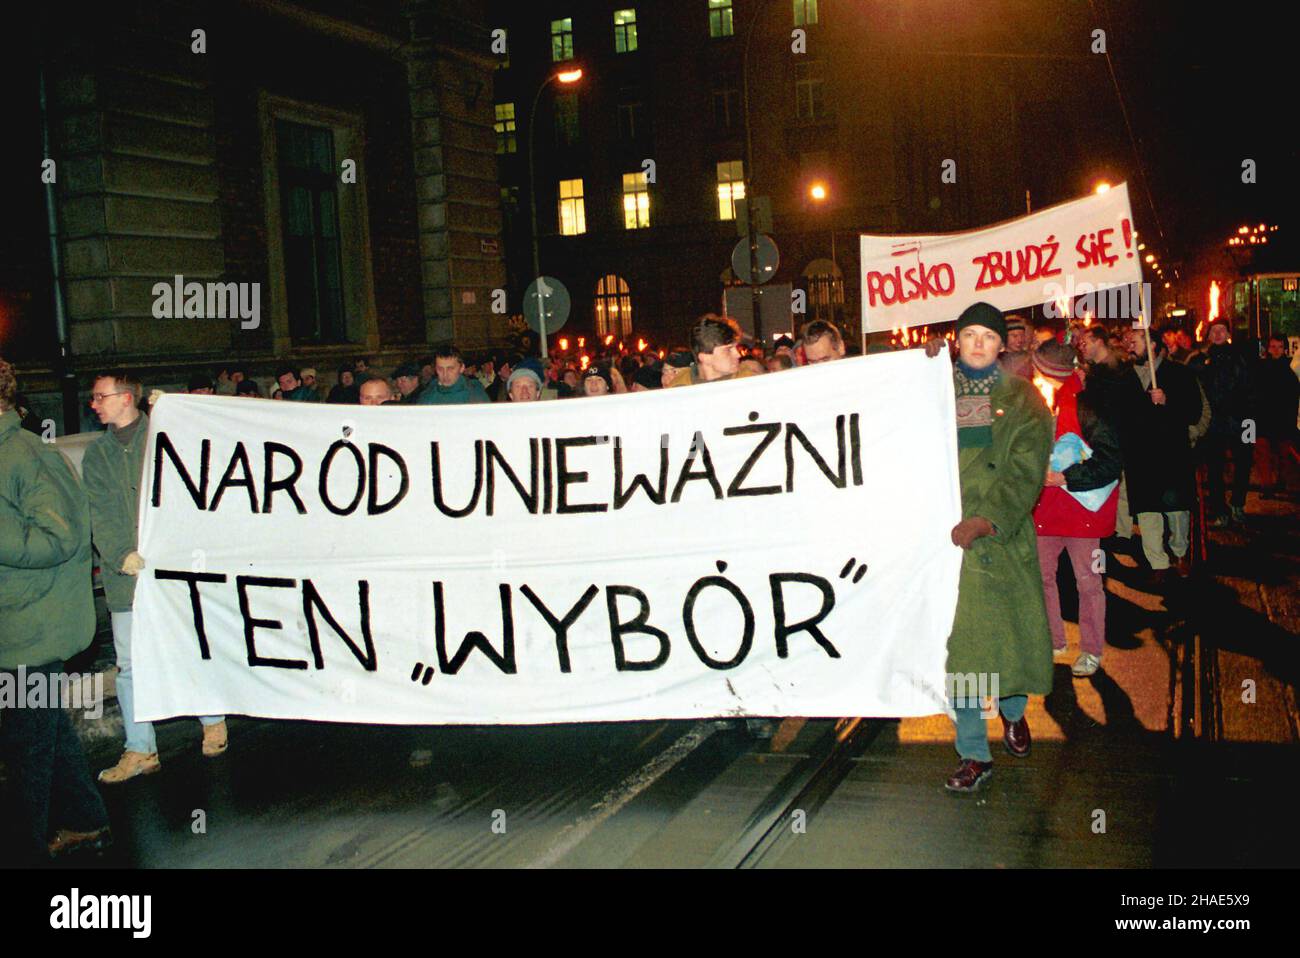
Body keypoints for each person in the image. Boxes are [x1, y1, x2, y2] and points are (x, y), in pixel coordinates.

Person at [924, 302, 1054, 792]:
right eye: (969, 334)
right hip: (948, 545)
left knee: (1009, 645)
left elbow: (1026, 469)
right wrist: (920, 369)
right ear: (957, 340)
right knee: (966, 652)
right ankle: (974, 754)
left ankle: (1014, 711)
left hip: (1000, 537)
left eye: (988, 336)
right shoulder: (936, 389)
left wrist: (987, 519)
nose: (977, 343)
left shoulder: (1024, 399)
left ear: (1003, 344)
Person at [84, 373, 229, 783]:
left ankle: (212, 717)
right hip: (126, 577)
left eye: (100, 397)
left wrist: (181, 411)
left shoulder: (166, 435)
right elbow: (101, 513)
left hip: (173, 570)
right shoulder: (98, 456)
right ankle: (140, 748)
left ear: (127, 397)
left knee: (187, 644)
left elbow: (207, 461)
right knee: (129, 664)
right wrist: (118, 554)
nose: (94, 404)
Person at [0, 357, 113, 862]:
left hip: (31, 627)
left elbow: (59, 537)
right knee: (44, 729)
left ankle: (23, 849)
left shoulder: (27, 456)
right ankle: (85, 819)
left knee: (25, 747)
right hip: (18, 621)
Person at [1030, 341, 1122, 677]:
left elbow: (1110, 460)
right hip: (1044, 511)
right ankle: (1054, 640)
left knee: (1089, 582)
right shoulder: (1035, 403)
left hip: (1083, 512)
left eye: (1040, 372)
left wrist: (1064, 477)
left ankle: (1091, 649)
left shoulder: (1090, 405)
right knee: (1041, 578)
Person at [1120, 327, 1204, 582]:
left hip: (1171, 454)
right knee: (1147, 512)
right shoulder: (1125, 377)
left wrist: (1168, 401)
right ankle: (1157, 561)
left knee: (1176, 509)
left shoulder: (1180, 373)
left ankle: (1180, 552)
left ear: (1153, 344)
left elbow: (1194, 412)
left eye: (1134, 341)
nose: (1129, 346)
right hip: (1140, 457)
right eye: (1127, 342)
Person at [1191, 319, 1255, 526]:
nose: (1218, 334)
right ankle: (1220, 510)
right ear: (1208, 335)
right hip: (1214, 421)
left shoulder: (1242, 356)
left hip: (1242, 419)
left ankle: (1238, 504)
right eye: (1214, 331)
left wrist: (1251, 419)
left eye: (1222, 330)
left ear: (1228, 333)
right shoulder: (1200, 360)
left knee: (1244, 462)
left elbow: (1252, 388)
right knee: (1214, 466)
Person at [1256, 334, 1299, 498]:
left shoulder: (1289, 372)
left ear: (1285, 349)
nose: (1276, 350)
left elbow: (1293, 398)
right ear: (1268, 348)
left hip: (1282, 418)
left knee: (1283, 454)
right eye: (1273, 346)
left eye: (1279, 347)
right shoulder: (1260, 368)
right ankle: (1266, 485)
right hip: (1262, 418)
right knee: (1262, 452)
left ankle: (1281, 481)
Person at [666, 315, 760, 387]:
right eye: (728, 350)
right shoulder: (678, 388)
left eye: (735, 348)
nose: (737, 354)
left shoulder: (749, 383)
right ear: (705, 358)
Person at [414, 346, 490, 405]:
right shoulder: (427, 396)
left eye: (450, 369)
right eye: (440, 369)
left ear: (462, 368)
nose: (445, 374)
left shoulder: (475, 394)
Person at [1000, 315, 1033, 380]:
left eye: (1022, 335)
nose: (1020, 340)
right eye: (1014, 336)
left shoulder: (1030, 359)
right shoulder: (996, 360)